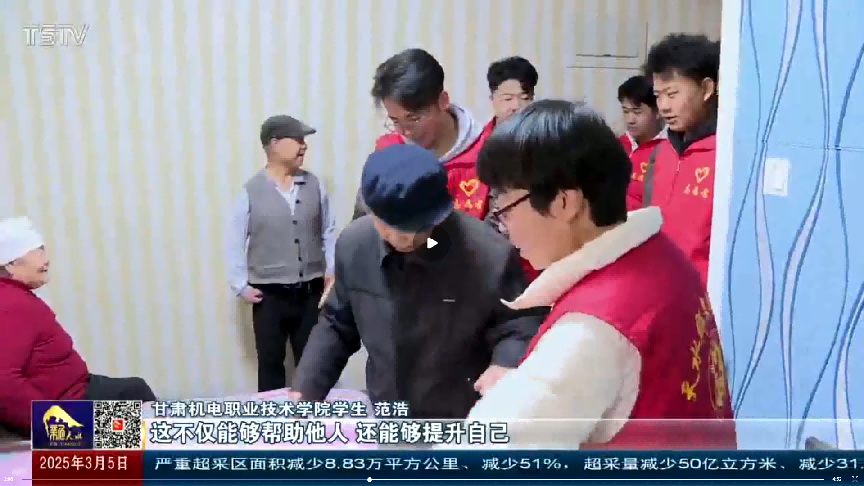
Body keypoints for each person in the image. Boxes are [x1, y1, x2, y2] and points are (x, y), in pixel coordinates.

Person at [455, 100, 735, 449]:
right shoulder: (662, 255)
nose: (503, 226)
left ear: (563, 203)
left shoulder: (591, 330)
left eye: (505, 208)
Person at [290, 144, 545, 419]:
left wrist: (505, 364)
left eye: (416, 229)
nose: (402, 239)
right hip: (390, 411)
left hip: (462, 415)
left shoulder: (488, 254)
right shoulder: (355, 246)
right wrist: (307, 388)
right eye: (388, 227)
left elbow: (518, 325)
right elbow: (337, 324)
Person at [0, 217, 157, 437]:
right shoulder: (10, 304)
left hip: (76, 391)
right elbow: (4, 382)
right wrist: (58, 427)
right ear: (11, 264)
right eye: (37, 252)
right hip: (69, 406)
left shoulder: (15, 297)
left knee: (134, 390)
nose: (46, 260)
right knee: (135, 402)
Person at [226, 115, 337, 393]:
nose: (304, 146)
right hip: (269, 296)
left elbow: (328, 230)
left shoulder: (314, 185)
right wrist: (240, 285)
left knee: (313, 362)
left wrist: (331, 271)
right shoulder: (251, 191)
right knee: (271, 363)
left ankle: (312, 414)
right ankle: (271, 417)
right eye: (298, 139)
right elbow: (235, 240)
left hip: (310, 292)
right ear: (274, 143)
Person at [352, 48, 490, 221]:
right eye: (395, 121)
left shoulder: (487, 157)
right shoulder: (388, 154)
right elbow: (362, 225)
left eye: (413, 119)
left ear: (443, 101)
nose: (405, 132)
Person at [642, 34, 721, 287]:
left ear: (706, 89)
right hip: (659, 287)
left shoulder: (727, 157)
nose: (664, 106)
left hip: (705, 296)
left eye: (672, 93)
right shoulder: (660, 153)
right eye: (658, 95)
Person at [483, 56, 542, 282]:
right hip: (484, 257)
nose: (516, 106)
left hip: (533, 259)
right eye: (507, 98)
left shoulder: (547, 146)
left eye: (524, 98)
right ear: (493, 99)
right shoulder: (476, 148)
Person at [616, 75, 667, 210]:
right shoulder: (616, 145)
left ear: (658, 112)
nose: (630, 120)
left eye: (637, 112)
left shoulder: (668, 149)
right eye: (626, 111)